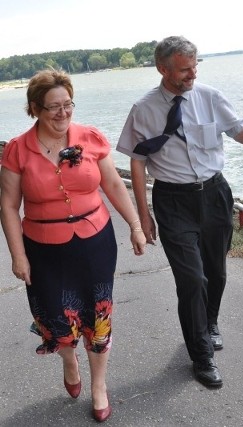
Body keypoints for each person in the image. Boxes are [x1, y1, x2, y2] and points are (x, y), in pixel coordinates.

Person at [116, 35, 243, 388]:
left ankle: (210, 321)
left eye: (195, 66)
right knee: (192, 280)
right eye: (184, 69)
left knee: (216, 273)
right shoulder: (143, 109)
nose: (192, 74)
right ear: (163, 69)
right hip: (173, 201)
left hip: (215, 194)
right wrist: (143, 216)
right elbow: (138, 162)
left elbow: (238, 131)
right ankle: (201, 355)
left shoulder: (209, 96)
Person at [0, 69, 147, 423]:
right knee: (56, 317)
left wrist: (136, 225)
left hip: (95, 242)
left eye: (68, 105)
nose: (63, 113)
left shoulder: (91, 137)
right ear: (34, 108)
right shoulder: (18, 150)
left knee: (97, 316)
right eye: (53, 107)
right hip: (43, 249)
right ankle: (69, 361)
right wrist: (18, 256)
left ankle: (99, 386)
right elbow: (7, 204)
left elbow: (112, 183)